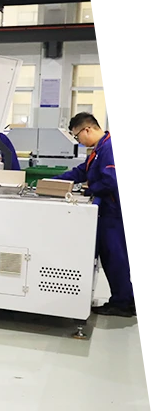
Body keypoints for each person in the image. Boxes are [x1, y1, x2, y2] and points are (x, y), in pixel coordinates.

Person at [53, 113, 135, 317]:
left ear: (87, 129)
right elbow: (82, 172)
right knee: (110, 256)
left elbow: (111, 181)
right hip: (109, 211)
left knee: (115, 257)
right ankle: (123, 298)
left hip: (116, 212)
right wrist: (55, 180)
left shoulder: (110, 148)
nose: (78, 141)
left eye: (77, 136)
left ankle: (123, 303)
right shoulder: (99, 150)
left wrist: (89, 190)